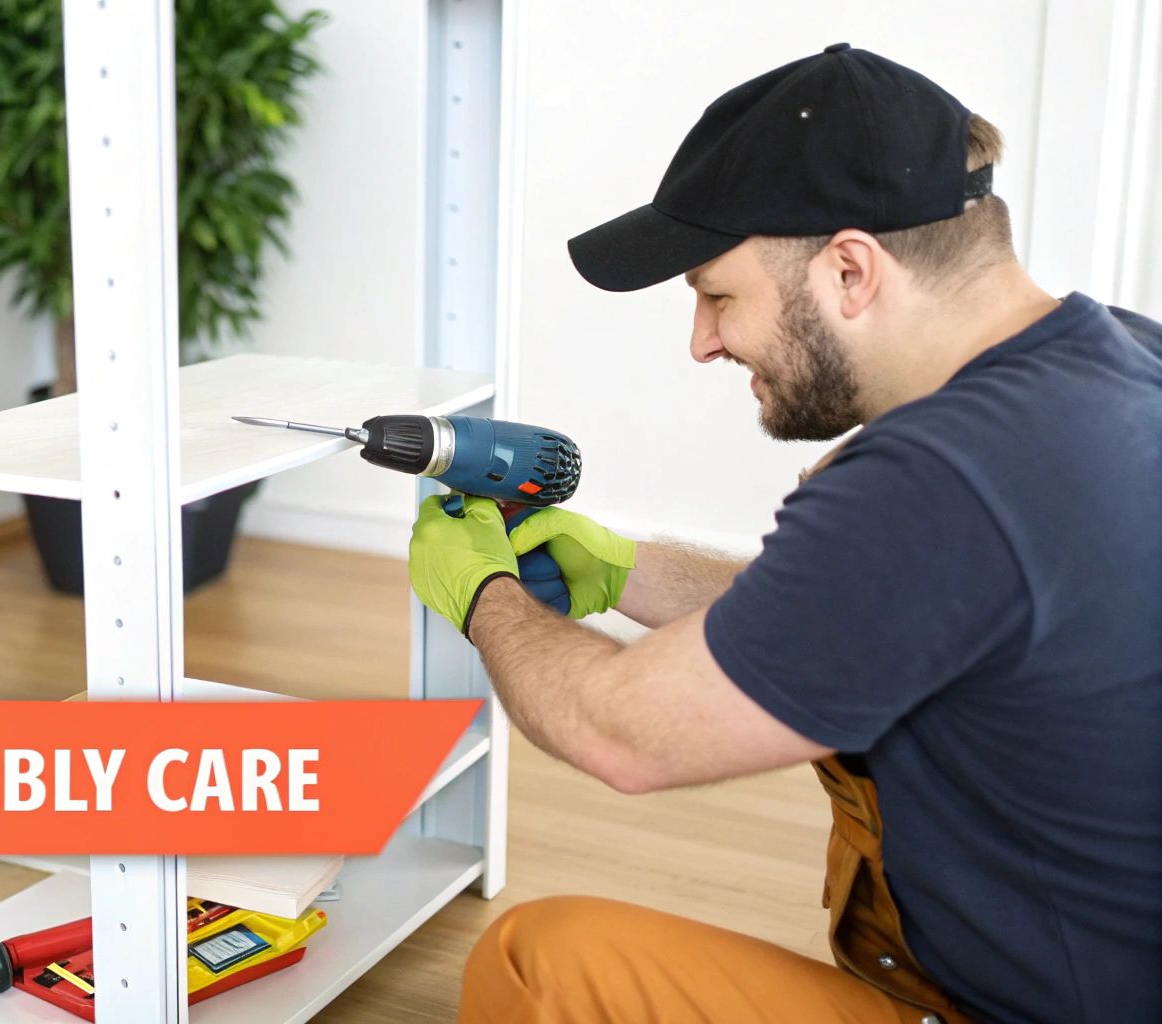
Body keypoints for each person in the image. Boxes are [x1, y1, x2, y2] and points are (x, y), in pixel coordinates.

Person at [408, 44, 1162, 1024]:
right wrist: (624, 570)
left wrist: (486, 597)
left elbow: (620, 732)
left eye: (717, 294)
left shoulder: (943, 476)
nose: (701, 341)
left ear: (850, 268)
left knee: (537, 967)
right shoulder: (1119, 360)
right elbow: (879, 609)